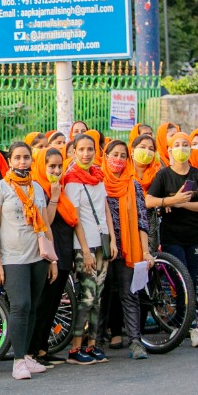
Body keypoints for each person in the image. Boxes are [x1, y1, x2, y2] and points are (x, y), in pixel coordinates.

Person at [0, 142, 57, 380]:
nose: (22, 162)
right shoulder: (0, 189)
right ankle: (17, 361)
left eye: (26, 157)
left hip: (38, 256)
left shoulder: (37, 188)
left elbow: (46, 224)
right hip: (12, 258)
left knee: (33, 306)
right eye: (17, 158)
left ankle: (27, 355)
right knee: (20, 306)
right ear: (10, 161)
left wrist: (53, 260)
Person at [145, 133, 198, 348]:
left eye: (185, 144)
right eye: (177, 144)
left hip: (194, 234)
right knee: (179, 279)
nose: (181, 148)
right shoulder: (163, 175)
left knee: (191, 279)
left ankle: (190, 326)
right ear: (169, 149)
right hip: (171, 235)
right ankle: (182, 322)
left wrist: (181, 204)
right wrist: (170, 200)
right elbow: (149, 200)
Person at [100, 139, 155, 360]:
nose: (119, 159)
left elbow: (142, 221)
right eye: (115, 154)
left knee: (129, 293)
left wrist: (145, 251)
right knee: (101, 295)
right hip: (104, 246)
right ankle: (96, 342)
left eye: (123, 155)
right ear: (105, 156)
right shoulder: (99, 181)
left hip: (128, 247)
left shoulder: (133, 185)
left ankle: (135, 342)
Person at [62, 133, 114, 364]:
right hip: (84, 247)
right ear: (73, 151)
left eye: (90, 149)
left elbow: (105, 210)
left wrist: (112, 240)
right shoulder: (71, 179)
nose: (86, 154)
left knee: (98, 298)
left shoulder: (98, 176)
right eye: (81, 149)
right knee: (87, 296)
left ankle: (92, 346)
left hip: (101, 243)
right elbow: (75, 219)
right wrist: (84, 250)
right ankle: (75, 349)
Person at [28, 146, 75, 365]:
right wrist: (54, 198)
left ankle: (44, 348)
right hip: (47, 251)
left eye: (59, 166)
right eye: (51, 166)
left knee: (54, 303)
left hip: (64, 249)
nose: (56, 170)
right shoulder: (38, 189)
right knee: (43, 303)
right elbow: (46, 219)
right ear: (41, 166)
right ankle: (34, 350)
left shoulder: (61, 188)